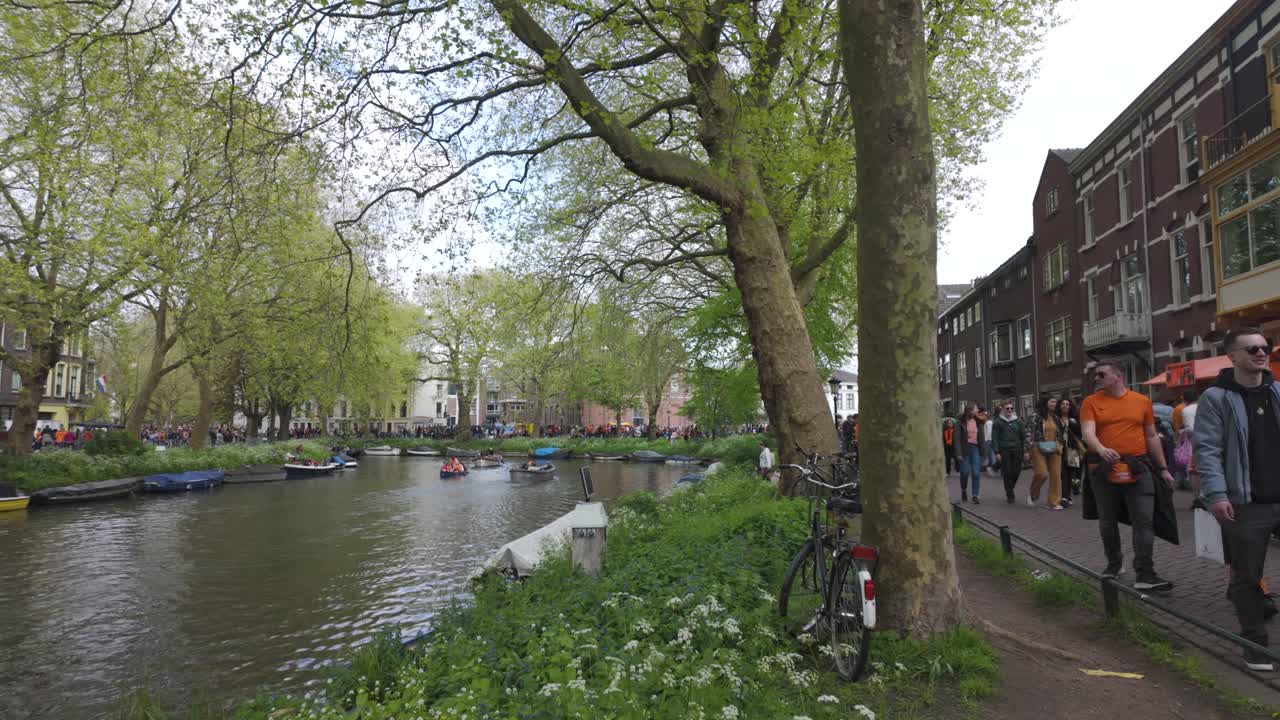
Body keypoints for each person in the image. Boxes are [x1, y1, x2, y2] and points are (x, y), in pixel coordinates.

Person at [1194, 327, 1280, 671]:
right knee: (1246, 575)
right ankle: (1254, 644)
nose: (1261, 353)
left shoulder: (1277, 391)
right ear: (1232, 356)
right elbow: (1208, 449)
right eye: (1252, 349)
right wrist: (1216, 493)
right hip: (1246, 502)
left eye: (1265, 347)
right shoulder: (1216, 398)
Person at [1081, 360, 1176, 591]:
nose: (1096, 378)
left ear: (1118, 376)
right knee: (1107, 519)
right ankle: (1114, 564)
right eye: (1095, 375)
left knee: (1144, 520)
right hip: (1103, 469)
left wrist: (1163, 469)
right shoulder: (1090, 402)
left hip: (1138, 466)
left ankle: (1145, 573)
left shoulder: (1141, 401)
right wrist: (1102, 450)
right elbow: (1087, 433)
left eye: (1101, 374)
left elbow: (1151, 436)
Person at [1029, 396, 1064, 510]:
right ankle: (1033, 493)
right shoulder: (1036, 416)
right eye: (1052, 401)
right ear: (1045, 403)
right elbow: (1029, 432)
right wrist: (1028, 448)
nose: (1054, 403)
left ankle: (1053, 502)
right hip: (1038, 447)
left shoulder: (1056, 417)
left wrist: (1060, 444)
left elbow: (1060, 433)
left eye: (1055, 402)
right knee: (1042, 473)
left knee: (1056, 475)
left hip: (1054, 447)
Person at [992, 401, 1025, 503]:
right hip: (1005, 450)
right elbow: (995, 438)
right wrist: (997, 452)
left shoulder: (1018, 421)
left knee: (1016, 471)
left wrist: (1026, 450)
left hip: (1017, 449)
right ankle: (1009, 493)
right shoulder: (998, 422)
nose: (1010, 410)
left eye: (1011, 408)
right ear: (1003, 409)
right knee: (1007, 472)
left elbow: (1023, 436)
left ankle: (1010, 486)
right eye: (1007, 408)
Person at [952, 404, 985, 504]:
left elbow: (982, 438)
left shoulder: (978, 421)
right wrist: (958, 453)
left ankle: (975, 495)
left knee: (975, 472)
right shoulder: (960, 423)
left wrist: (983, 451)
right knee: (965, 473)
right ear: (970, 411)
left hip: (975, 448)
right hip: (964, 449)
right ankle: (963, 490)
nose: (977, 411)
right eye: (976, 409)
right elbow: (957, 440)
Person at [1058, 398, 1084, 507]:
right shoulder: (1056, 419)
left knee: (1076, 473)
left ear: (1070, 407)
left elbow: (1080, 432)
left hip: (1073, 449)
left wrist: (1071, 424)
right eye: (1063, 404)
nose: (1065, 406)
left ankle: (1076, 486)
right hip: (1061, 449)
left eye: (1067, 404)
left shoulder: (1074, 419)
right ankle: (1065, 496)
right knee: (1065, 473)